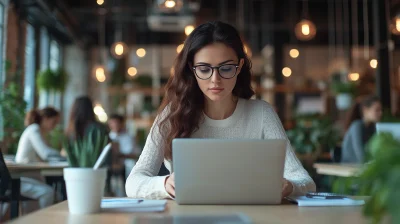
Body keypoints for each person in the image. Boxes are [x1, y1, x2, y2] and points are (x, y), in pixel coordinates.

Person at [125, 21, 315, 200]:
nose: (215, 79)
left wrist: (288, 186)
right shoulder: (171, 114)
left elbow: (306, 182)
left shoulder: (261, 114)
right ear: (192, 69)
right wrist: (164, 184)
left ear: (239, 66)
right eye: (204, 69)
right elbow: (133, 183)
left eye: (225, 68)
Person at [15, 107, 61, 210]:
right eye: (53, 122)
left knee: (55, 194)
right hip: (22, 177)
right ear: (45, 118)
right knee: (49, 193)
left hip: (31, 176)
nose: (54, 126)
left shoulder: (40, 132)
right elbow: (45, 153)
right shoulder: (34, 129)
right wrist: (64, 155)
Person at [341, 95, 382, 163]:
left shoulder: (372, 127)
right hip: (348, 167)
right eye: (377, 110)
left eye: (381, 110)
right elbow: (360, 154)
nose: (380, 113)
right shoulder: (357, 126)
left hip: (361, 167)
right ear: (365, 110)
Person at [108, 114, 140, 178]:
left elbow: (135, 154)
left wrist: (119, 155)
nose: (114, 125)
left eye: (116, 123)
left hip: (127, 168)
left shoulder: (129, 137)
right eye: (112, 123)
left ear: (122, 123)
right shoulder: (108, 137)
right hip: (111, 168)